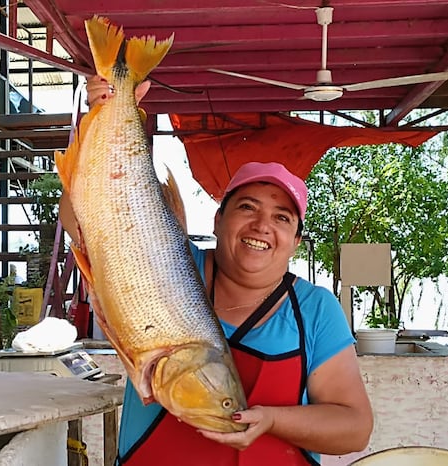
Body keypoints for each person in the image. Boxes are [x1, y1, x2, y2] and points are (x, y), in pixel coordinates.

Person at [76, 76, 373, 466]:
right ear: (218, 220)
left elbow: (355, 428)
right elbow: (85, 221)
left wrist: (270, 420)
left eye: (281, 217)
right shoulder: (170, 260)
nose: (262, 226)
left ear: (295, 241)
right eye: (247, 207)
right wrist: (99, 115)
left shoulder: (315, 309)